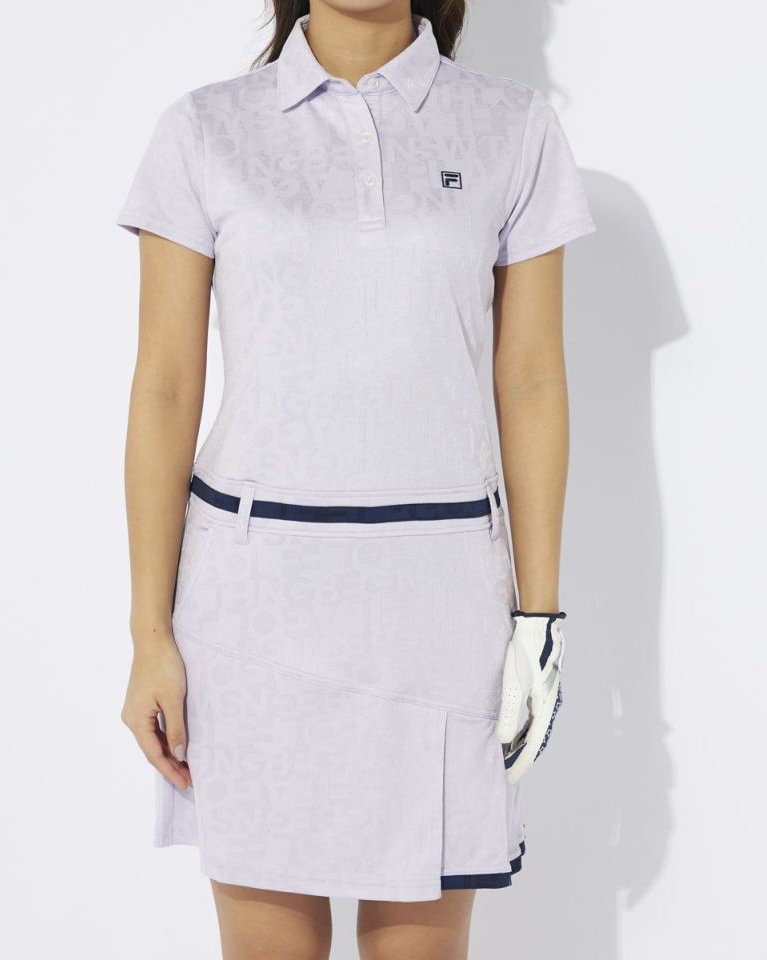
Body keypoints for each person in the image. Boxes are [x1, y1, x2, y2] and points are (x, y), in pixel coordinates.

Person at [115, 1, 595, 956]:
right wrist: (149, 633)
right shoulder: (207, 128)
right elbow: (166, 388)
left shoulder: (511, 125)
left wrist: (539, 621)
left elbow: (533, 378)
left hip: (440, 608)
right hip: (255, 611)